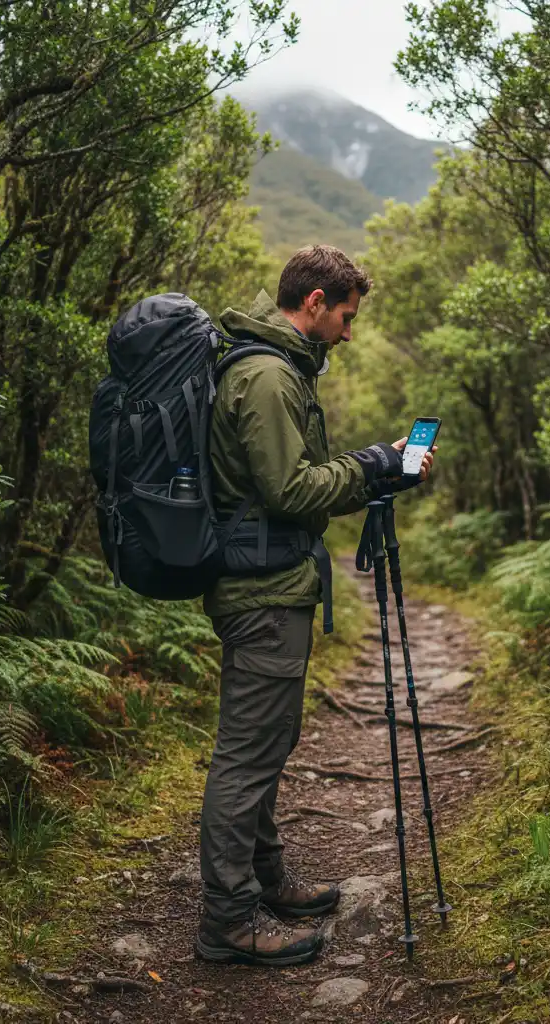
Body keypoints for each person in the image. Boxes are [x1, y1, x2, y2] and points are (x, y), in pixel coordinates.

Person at [194, 245, 436, 967]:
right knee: (247, 755)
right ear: (315, 302)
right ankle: (229, 922)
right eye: (347, 317)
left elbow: (292, 483)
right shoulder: (268, 377)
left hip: (272, 583)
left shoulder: (272, 368)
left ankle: (264, 882)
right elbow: (290, 491)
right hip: (260, 589)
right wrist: (375, 466)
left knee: (269, 743)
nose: (349, 332)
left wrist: (376, 467)